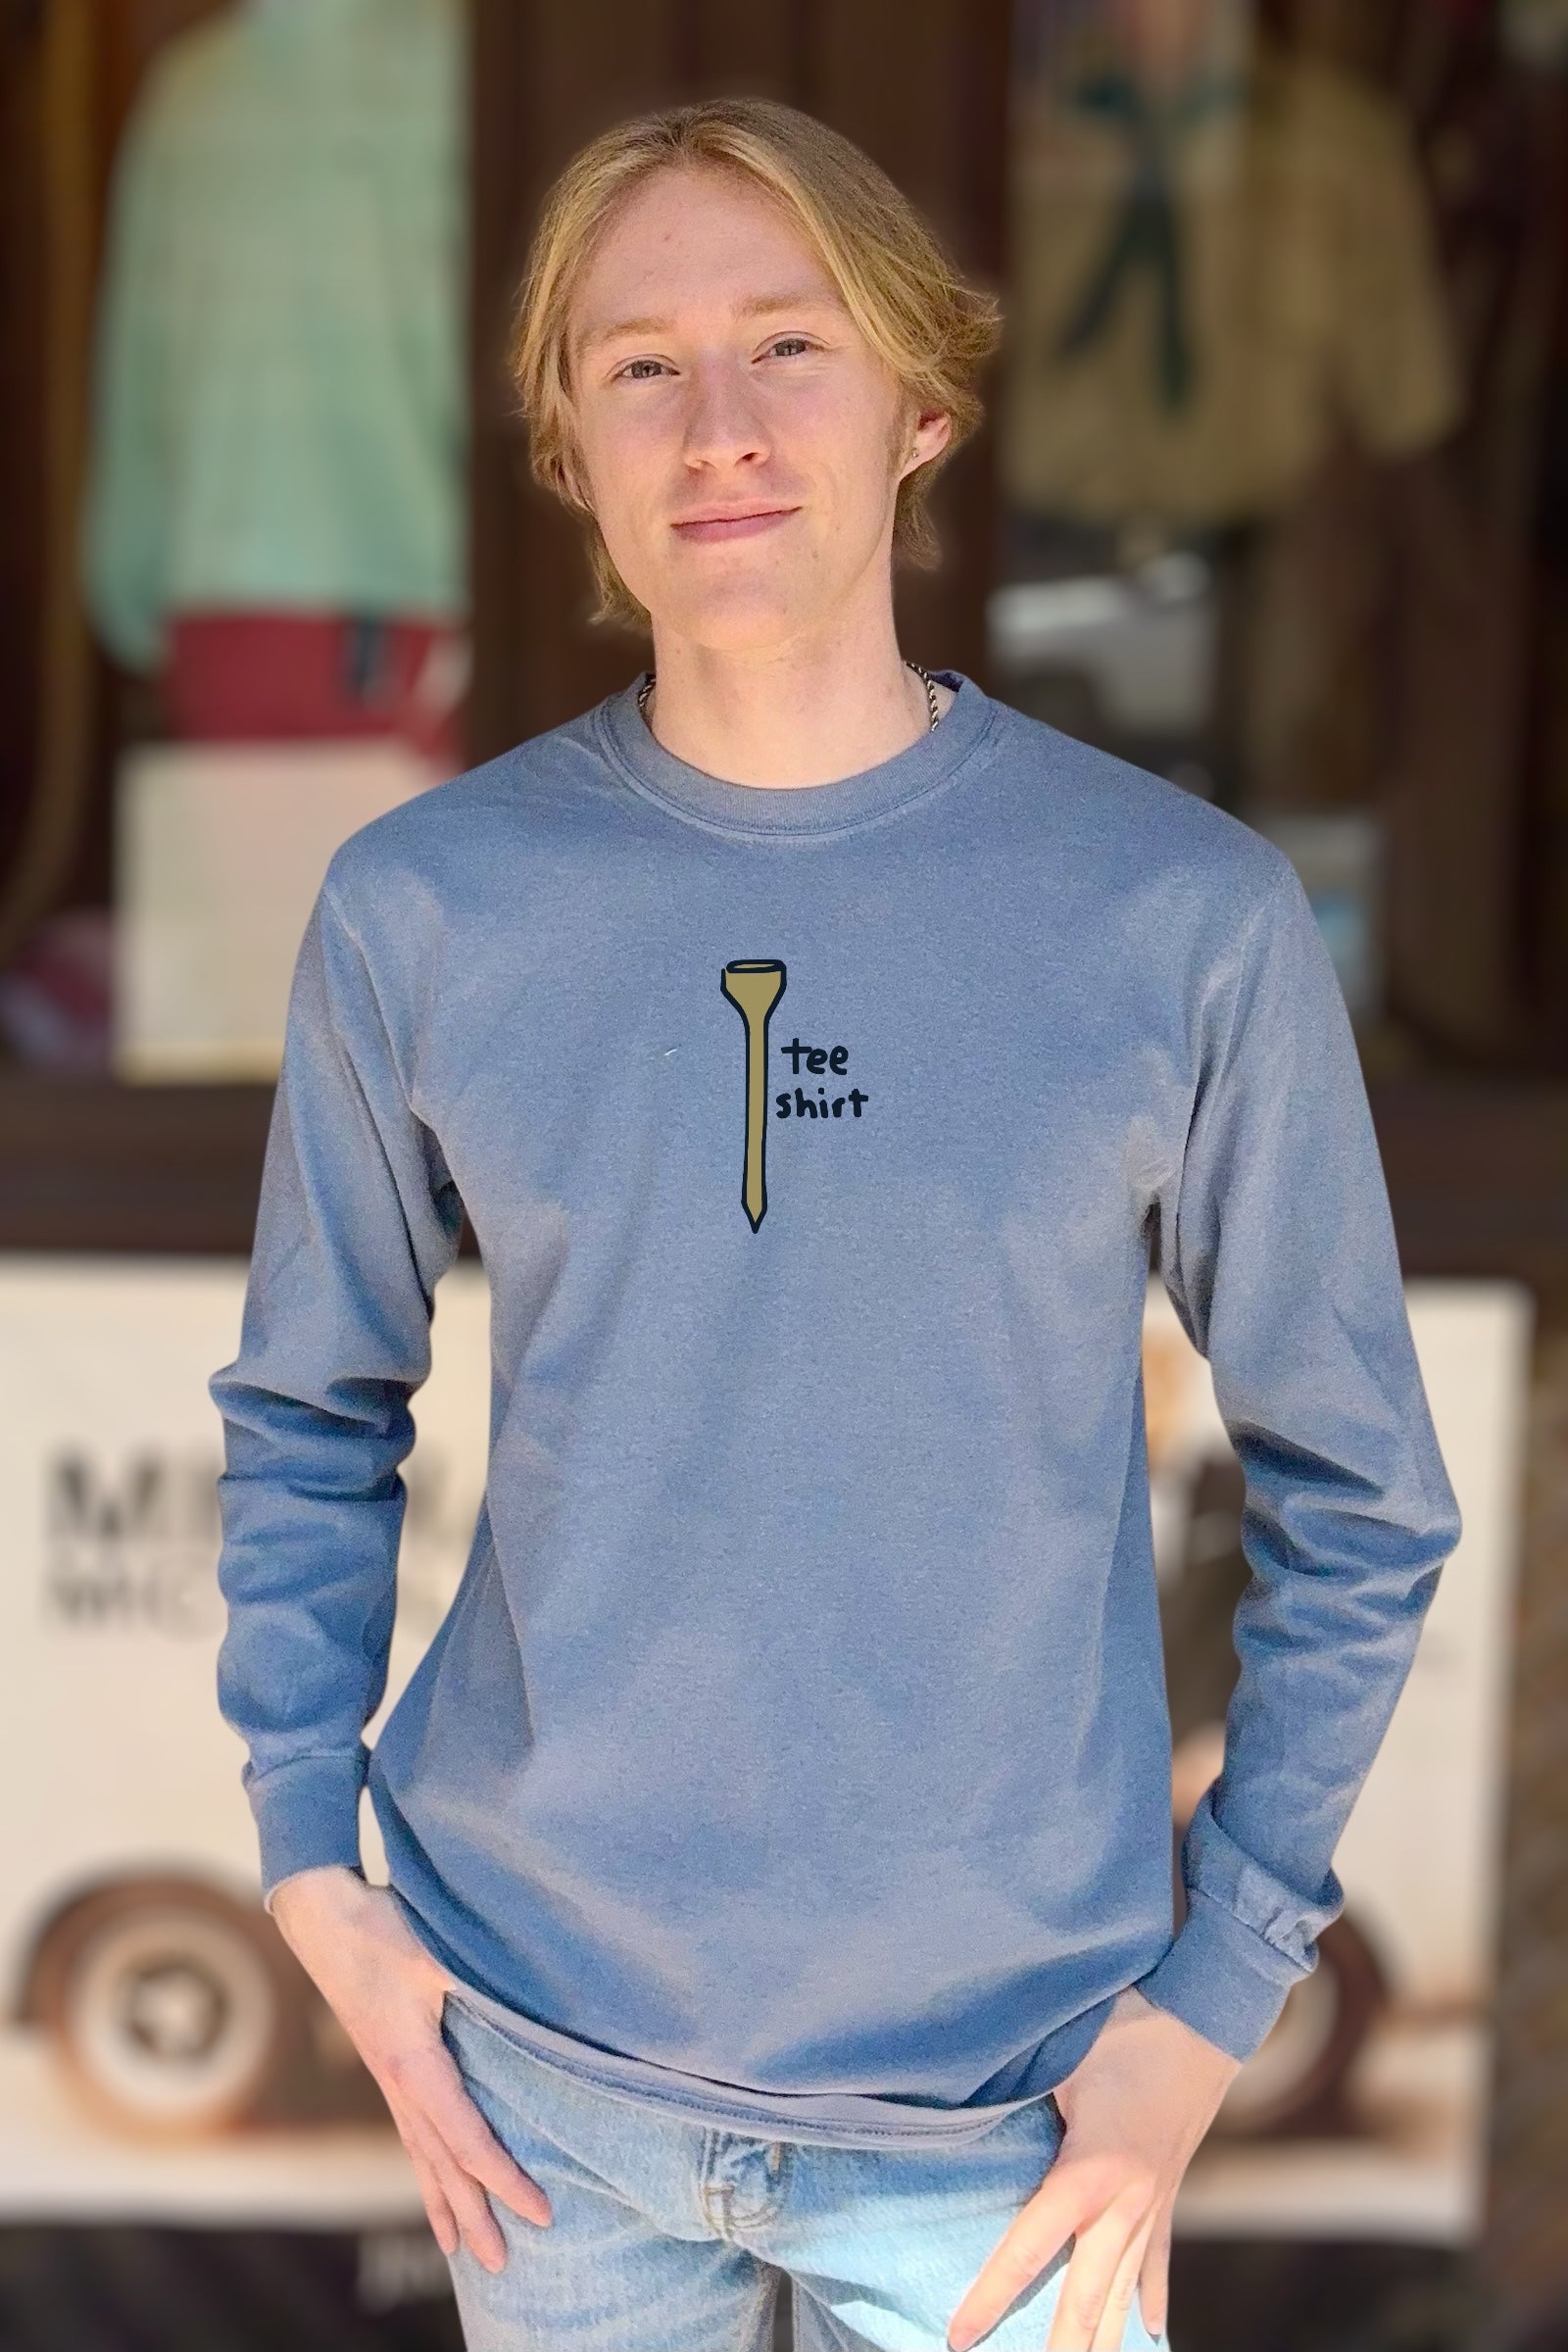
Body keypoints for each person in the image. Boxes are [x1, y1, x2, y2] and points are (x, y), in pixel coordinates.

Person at [210, 97, 1461, 2352]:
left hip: (1010, 2122)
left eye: (786, 345)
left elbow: (1358, 1490)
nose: (717, 425)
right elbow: (309, 1410)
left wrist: (1212, 2001)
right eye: (639, 365)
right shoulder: (426, 910)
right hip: (540, 2088)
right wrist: (311, 1864)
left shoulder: (1172, 917)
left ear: (920, 405)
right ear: (567, 447)